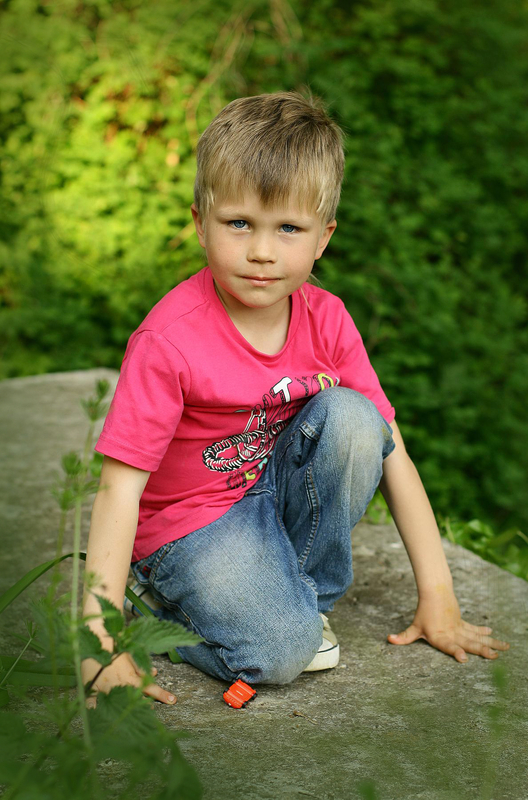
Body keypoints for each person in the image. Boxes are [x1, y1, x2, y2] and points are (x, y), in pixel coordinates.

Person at [81, 91, 509, 708]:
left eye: (288, 228)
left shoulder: (327, 318)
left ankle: (290, 603)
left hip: (271, 492)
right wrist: (98, 636)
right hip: (190, 523)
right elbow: (119, 487)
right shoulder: (169, 340)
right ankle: (159, 609)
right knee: (283, 653)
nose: (262, 251)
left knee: (355, 419)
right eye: (239, 223)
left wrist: (439, 596)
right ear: (200, 221)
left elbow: (391, 452)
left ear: (323, 237)